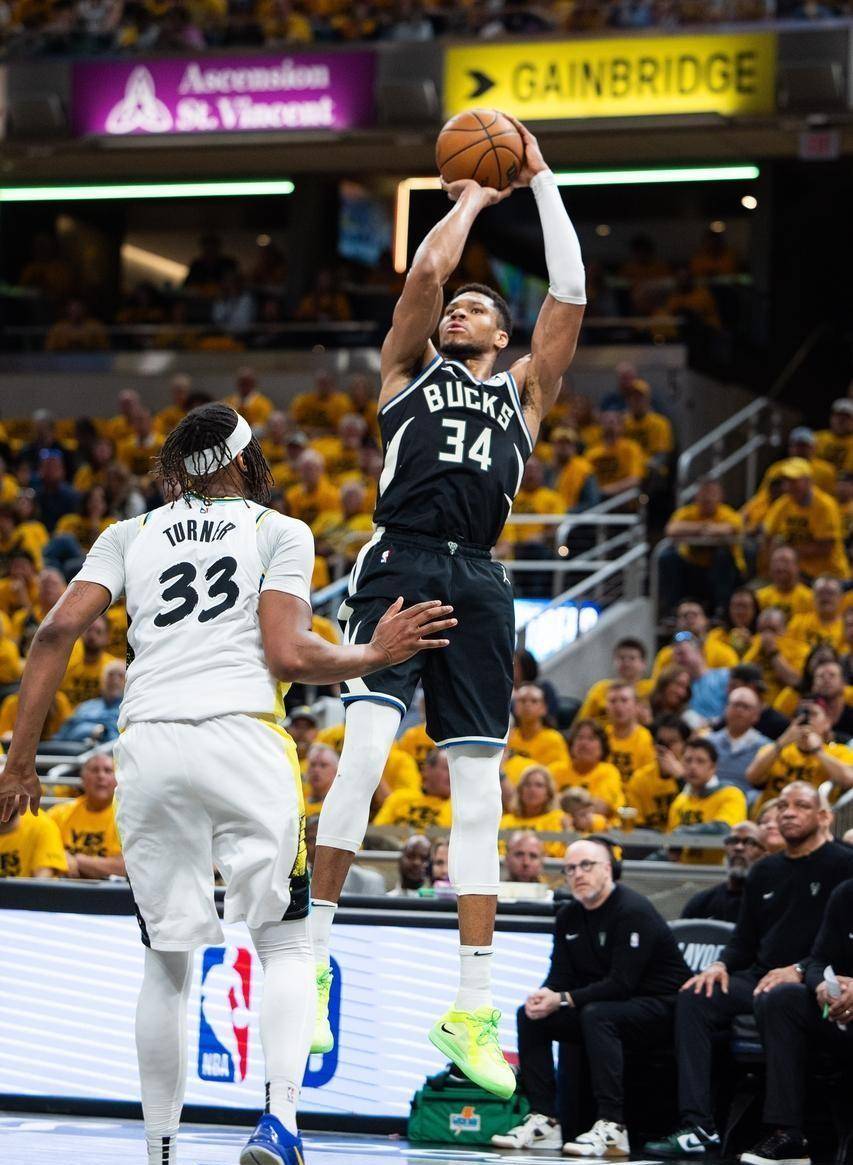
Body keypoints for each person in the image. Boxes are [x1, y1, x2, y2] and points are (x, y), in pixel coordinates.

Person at [0, 402, 454, 1165]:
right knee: (282, 942)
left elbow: (51, 634)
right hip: (243, 736)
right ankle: (278, 1123)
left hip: (147, 744)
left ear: (178, 468)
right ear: (245, 462)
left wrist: (19, 761)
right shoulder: (277, 530)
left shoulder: (126, 533)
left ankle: (161, 1151)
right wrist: (372, 654)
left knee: (164, 961)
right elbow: (286, 653)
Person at [308, 115, 587, 1101]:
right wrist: (469, 194)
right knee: (366, 759)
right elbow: (424, 279)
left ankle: (472, 1006)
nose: (462, 311)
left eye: (480, 308)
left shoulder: (525, 392)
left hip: (477, 575)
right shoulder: (405, 371)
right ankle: (310, 959)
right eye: (458, 310)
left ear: (504, 335)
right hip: (398, 559)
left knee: (478, 793)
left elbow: (572, 293)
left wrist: (540, 177)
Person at [645, 782, 853, 1159]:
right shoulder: (764, 871)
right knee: (696, 994)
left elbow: (835, 948)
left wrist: (800, 968)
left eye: (800, 805)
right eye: (782, 805)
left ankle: (784, 1130)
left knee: (778, 996)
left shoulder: (843, 865)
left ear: (825, 817)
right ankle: (699, 1125)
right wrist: (721, 965)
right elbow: (744, 941)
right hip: (761, 975)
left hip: (816, 980)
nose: (787, 812)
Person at [494, 839, 689, 1155]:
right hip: (607, 1006)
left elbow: (622, 984)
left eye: (587, 865)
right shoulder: (569, 916)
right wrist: (545, 995)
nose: (578, 874)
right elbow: (560, 977)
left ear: (607, 869)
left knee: (597, 1014)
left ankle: (613, 1125)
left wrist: (564, 998)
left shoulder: (633, 910)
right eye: (570, 868)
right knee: (530, 1016)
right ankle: (545, 1119)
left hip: (662, 1007)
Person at [737, 876, 853, 1165]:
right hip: (842, 1010)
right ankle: (788, 1136)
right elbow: (818, 960)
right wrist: (822, 987)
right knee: (781, 998)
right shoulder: (846, 893)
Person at [746, 700, 853, 815]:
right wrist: (781, 743)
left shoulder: (839, 752)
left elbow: (848, 780)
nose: (806, 719)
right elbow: (752, 777)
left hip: (813, 818)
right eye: (801, 714)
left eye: (813, 714)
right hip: (772, 815)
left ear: (827, 722)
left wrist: (818, 751)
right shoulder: (776, 749)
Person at [661, 479, 743, 613]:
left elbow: (729, 529)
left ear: (721, 497)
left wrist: (692, 530)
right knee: (667, 557)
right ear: (696, 496)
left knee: (722, 557)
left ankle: (722, 611)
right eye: (704, 493)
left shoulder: (729, 514)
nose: (707, 498)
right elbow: (671, 529)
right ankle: (673, 610)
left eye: (712, 494)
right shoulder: (687, 512)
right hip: (693, 568)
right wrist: (703, 527)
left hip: (724, 572)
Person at [762, 458, 849, 581]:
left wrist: (790, 553)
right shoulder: (783, 504)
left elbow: (825, 547)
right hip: (797, 574)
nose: (789, 486)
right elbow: (768, 535)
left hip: (828, 576)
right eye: (787, 481)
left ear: (808, 481)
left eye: (794, 481)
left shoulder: (825, 505)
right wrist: (774, 564)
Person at [666, 738, 748, 865]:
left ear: (713, 767)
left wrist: (682, 833)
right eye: (688, 760)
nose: (693, 766)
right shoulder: (679, 801)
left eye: (700, 761)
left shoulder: (731, 794)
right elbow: (670, 847)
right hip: (682, 874)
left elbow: (725, 829)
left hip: (719, 873)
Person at [47, 752, 125, 879]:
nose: (101, 776)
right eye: (94, 770)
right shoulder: (59, 813)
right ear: (82, 779)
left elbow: (124, 868)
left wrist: (76, 860)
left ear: (118, 779)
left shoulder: (125, 816)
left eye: (108, 771)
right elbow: (41, 849)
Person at [680, 821, 765, 922]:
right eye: (733, 841)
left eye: (749, 842)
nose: (738, 847)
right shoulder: (702, 903)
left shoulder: (772, 903)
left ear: (764, 854)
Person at [627, 715, 691, 831]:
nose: (666, 748)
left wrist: (680, 778)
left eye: (672, 742)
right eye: (661, 742)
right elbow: (637, 825)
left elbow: (697, 811)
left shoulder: (694, 776)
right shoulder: (640, 779)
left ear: (685, 745)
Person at [553, 719, 624, 820]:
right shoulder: (555, 770)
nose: (584, 743)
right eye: (579, 738)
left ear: (602, 747)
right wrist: (587, 802)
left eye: (591, 739)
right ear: (571, 744)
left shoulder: (609, 772)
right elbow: (541, 805)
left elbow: (602, 808)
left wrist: (562, 800)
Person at [707, 687, 771, 798]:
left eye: (745, 707)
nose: (739, 710)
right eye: (735, 705)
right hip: (709, 799)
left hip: (746, 802)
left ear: (756, 715)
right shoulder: (708, 742)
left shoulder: (766, 747)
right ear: (726, 709)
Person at [372, 747, 453, 829]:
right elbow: (376, 833)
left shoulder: (458, 809)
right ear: (427, 769)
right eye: (447, 768)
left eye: (455, 771)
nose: (453, 775)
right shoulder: (399, 798)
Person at [577, 637, 652, 724]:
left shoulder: (652, 689)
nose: (626, 662)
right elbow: (582, 722)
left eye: (632, 658)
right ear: (614, 661)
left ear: (644, 663)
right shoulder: (600, 689)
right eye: (621, 658)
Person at [52, 659, 125, 743]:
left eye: (120, 676)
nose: (115, 680)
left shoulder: (128, 710)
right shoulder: (85, 706)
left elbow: (120, 740)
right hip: (71, 751)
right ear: (102, 680)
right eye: (110, 675)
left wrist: (103, 733)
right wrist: (94, 730)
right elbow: (64, 734)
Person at [670, 633, 730, 729]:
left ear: (699, 652)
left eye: (682, 653)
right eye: (675, 656)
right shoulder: (679, 687)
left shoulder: (724, 676)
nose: (678, 660)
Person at [584, 408, 645, 497]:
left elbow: (634, 479)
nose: (610, 426)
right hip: (597, 498)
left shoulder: (631, 448)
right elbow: (586, 480)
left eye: (613, 422)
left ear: (622, 426)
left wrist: (606, 490)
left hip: (623, 498)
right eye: (606, 422)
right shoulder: (591, 452)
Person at [603, 682, 655, 784]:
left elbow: (648, 778)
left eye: (624, 700)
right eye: (613, 701)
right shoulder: (601, 736)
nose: (618, 706)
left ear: (636, 706)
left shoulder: (646, 738)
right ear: (606, 707)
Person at [508, 683, 570, 768]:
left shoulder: (554, 740)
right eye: (522, 701)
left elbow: (559, 772)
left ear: (544, 708)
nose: (527, 705)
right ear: (515, 707)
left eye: (534, 701)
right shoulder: (509, 737)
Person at [755, 546, 814, 621]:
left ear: (797, 566)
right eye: (775, 562)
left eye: (785, 562)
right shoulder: (759, 597)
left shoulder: (810, 598)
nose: (780, 567)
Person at [787, 573, 844, 650]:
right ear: (812, 597)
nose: (825, 598)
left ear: (840, 597)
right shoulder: (798, 622)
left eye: (830, 593)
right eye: (821, 593)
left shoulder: (847, 627)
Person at [814, 398, 853, 475]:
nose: (841, 421)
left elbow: (848, 472)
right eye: (838, 416)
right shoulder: (817, 437)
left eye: (846, 418)